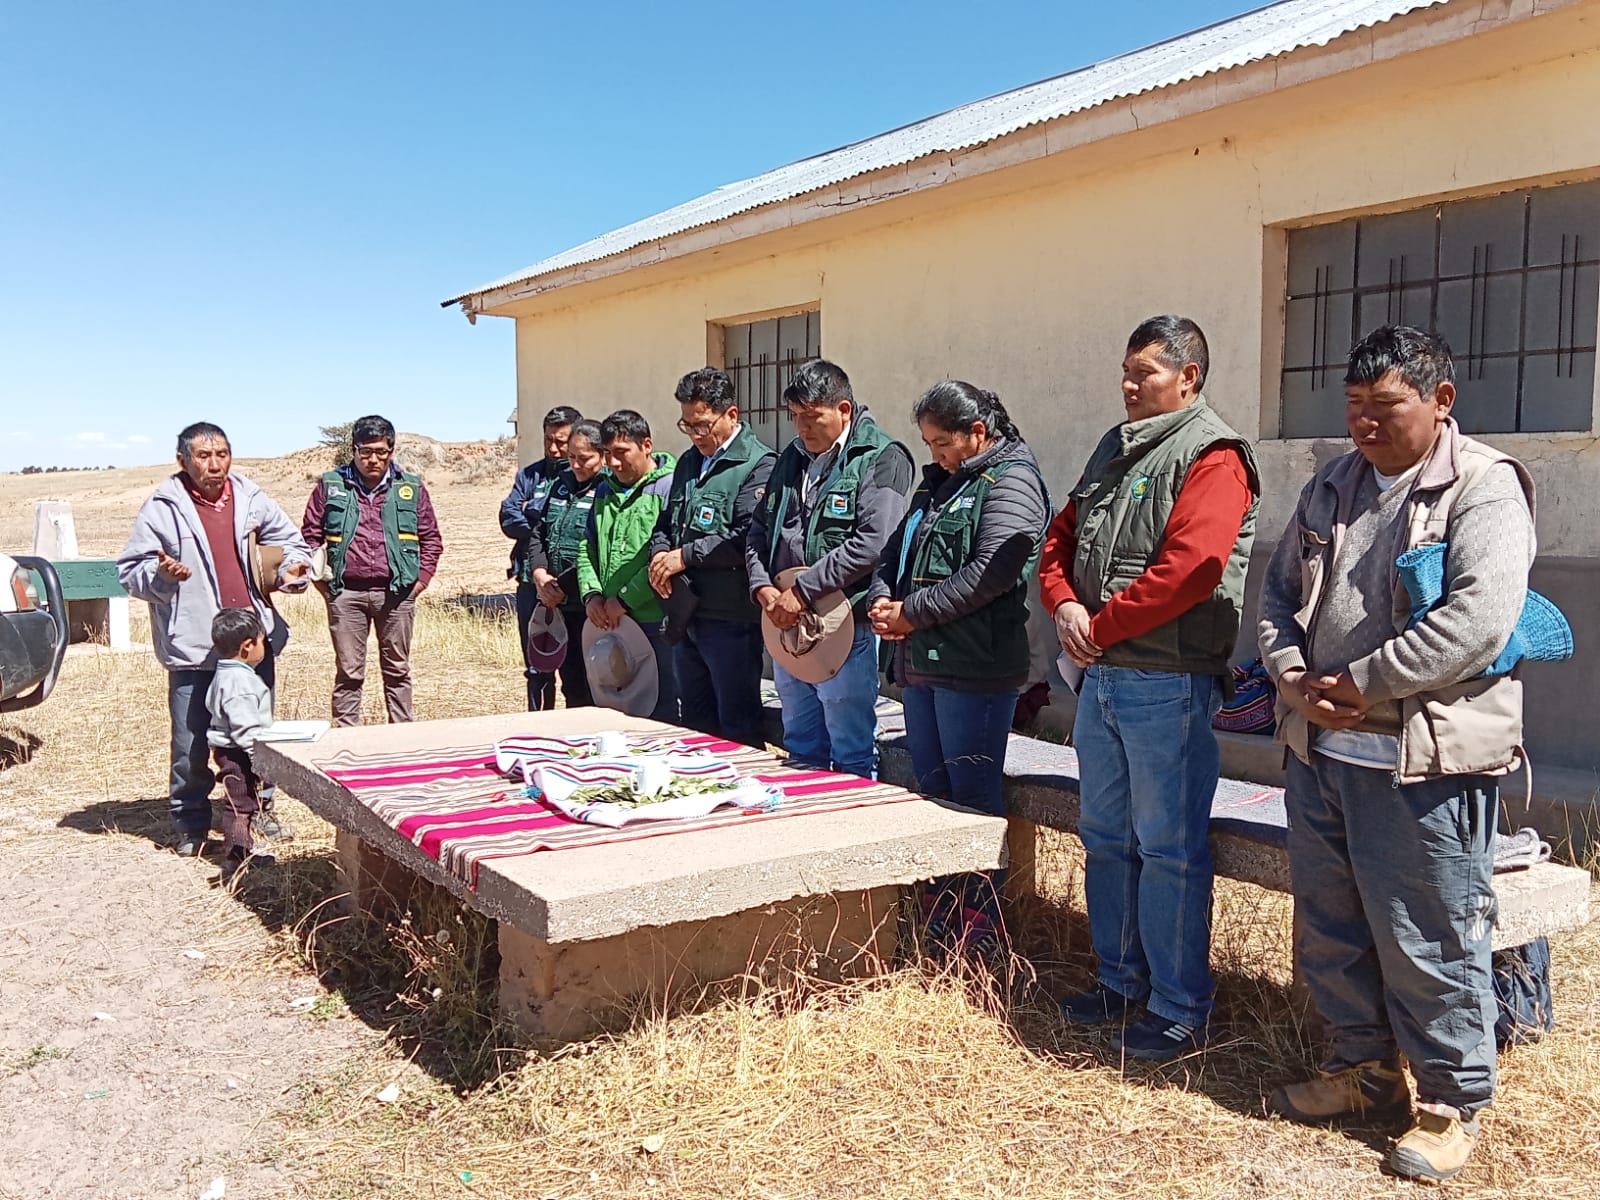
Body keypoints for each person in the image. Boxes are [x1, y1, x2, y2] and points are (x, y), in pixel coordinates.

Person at [1257, 326, 1534, 1182]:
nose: (1365, 427)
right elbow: (1276, 595)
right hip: (1322, 754)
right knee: (1331, 928)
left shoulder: (1483, 489)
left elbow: (1478, 620)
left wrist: (1366, 681)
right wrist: (1294, 673)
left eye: (1385, 408)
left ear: (1441, 401)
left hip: (1423, 761)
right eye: (1354, 410)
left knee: (1430, 938)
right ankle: (1364, 1072)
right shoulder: (1332, 484)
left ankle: (1453, 1101)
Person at [1039, 315, 1259, 1061]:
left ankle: (1177, 1004)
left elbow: (1192, 568)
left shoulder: (1214, 456)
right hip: (1102, 678)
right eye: (1127, 373)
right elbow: (1058, 537)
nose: (1130, 386)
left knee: (1168, 847)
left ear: (1189, 376)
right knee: (1105, 837)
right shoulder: (1116, 445)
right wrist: (1067, 604)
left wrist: (1100, 627)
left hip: (1165, 681)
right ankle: (1119, 978)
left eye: (1147, 374)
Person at [868, 381, 1050, 958]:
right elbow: (898, 550)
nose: (935, 455)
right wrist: (881, 598)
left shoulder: (1012, 480)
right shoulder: (941, 483)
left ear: (979, 432)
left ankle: (982, 926)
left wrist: (911, 615)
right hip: (921, 664)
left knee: (971, 799)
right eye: (929, 444)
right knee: (935, 793)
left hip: (973, 667)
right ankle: (942, 907)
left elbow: (990, 574)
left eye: (943, 443)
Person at [117, 421, 311, 855]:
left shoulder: (250, 496)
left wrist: (289, 571)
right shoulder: (163, 507)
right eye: (203, 456)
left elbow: (290, 542)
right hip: (193, 644)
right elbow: (131, 572)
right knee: (191, 743)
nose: (215, 464)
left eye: (222, 454)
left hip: (249, 644)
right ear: (182, 461)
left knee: (255, 735)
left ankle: (258, 811)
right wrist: (160, 575)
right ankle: (190, 823)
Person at [748, 359, 912, 777]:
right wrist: (763, 588)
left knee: (851, 750)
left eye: (811, 416)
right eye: (795, 417)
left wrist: (802, 591)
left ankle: (852, 835)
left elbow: (874, 542)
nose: (802, 427)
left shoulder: (882, 457)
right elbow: (759, 531)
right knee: (801, 746)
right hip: (786, 622)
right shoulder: (792, 458)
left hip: (845, 628)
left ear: (844, 409)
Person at [647, 368, 776, 746]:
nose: (696, 435)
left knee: (737, 724)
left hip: (730, 620)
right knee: (697, 724)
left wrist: (684, 556)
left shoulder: (760, 464)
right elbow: (666, 522)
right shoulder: (688, 462)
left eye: (703, 425)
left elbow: (746, 538)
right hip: (687, 616)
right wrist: (659, 556)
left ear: (731, 415)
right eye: (687, 425)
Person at [301, 415, 443, 726]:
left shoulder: (411, 488)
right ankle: (347, 741)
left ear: (392, 450)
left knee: (398, 671)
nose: (373, 459)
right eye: (365, 451)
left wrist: (418, 584)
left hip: (397, 595)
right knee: (350, 672)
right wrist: (321, 584)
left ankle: (401, 738)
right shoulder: (331, 485)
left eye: (381, 451)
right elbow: (310, 535)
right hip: (345, 594)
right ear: (353, 450)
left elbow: (431, 539)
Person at [578, 410, 678, 722]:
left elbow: (662, 556)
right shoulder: (605, 489)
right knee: (618, 714)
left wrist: (624, 600)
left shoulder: (668, 488)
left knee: (663, 716)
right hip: (610, 622)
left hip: (655, 623)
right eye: (607, 454)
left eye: (621, 453)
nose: (613, 463)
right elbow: (587, 546)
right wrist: (591, 594)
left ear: (646, 445)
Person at [501, 405, 583, 709]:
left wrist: (536, 516)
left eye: (561, 442)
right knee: (538, 667)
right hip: (530, 583)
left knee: (577, 670)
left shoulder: (586, 478)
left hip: (570, 589)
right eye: (548, 440)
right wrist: (540, 523)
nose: (553, 448)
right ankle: (538, 729)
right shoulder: (530, 475)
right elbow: (508, 518)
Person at [519, 418, 604, 711]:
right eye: (571, 458)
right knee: (571, 684)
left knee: (596, 684)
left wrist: (559, 586)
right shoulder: (559, 486)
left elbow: (594, 551)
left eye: (585, 459)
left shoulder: (608, 490)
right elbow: (538, 533)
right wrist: (540, 575)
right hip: (557, 605)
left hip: (590, 607)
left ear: (603, 456)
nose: (576, 465)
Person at [205, 608, 274, 881]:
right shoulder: (240, 683)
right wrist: (260, 760)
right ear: (247, 646)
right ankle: (237, 860)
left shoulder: (225, 673)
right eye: (262, 642)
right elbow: (245, 728)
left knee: (243, 801)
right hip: (238, 753)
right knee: (240, 806)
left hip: (233, 750)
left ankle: (242, 853)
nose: (264, 648)